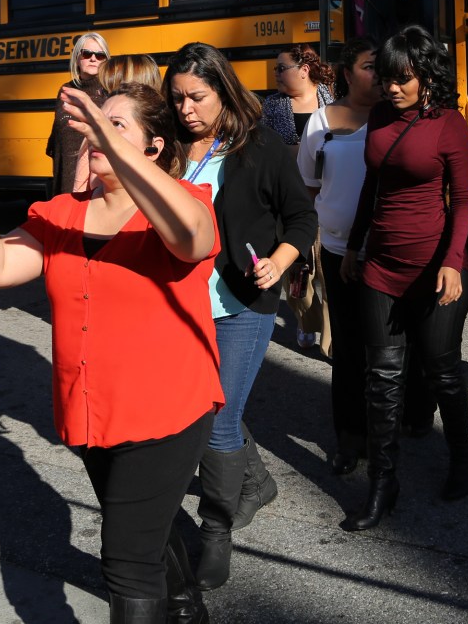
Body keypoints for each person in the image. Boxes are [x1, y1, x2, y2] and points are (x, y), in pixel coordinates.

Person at [0, 82, 220, 623]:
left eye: (116, 124)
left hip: (166, 412)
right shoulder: (61, 213)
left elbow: (192, 240)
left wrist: (111, 140)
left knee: (126, 559)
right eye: (96, 124)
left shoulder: (185, 204)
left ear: (154, 148)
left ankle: (177, 604)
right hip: (92, 410)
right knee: (146, 522)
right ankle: (187, 606)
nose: (98, 133)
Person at [163, 42, 318, 590]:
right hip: (178, 306)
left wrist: (279, 260)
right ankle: (255, 480)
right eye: (177, 98)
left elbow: (301, 217)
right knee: (203, 406)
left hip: (240, 305)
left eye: (198, 98)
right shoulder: (169, 149)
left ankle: (215, 531)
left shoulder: (260, 147)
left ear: (224, 92)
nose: (186, 110)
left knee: (218, 417)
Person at [341, 24, 468, 531]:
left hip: (437, 267)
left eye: (403, 78)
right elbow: (370, 187)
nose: (391, 87)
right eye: (386, 77)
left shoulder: (449, 123)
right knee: (382, 379)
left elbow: (462, 201)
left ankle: (463, 457)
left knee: (442, 372)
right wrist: (355, 245)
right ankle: (383, 483)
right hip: (381, 266)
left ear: (426, 75)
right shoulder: (378, 116)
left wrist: (453, 260)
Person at [295, 38, 378, 474]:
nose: (380, 75)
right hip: (337, 251)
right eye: (369, 66)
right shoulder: (320, 122)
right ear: (347, 72)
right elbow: (309, 184)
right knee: (347, 350)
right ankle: (349, 439)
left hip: (388, 254)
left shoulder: (395, 116)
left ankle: (387, 433)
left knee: (384, 347)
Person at [260, 44, 335, 352]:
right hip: (288, 202)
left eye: (281, 68)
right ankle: (307, 320)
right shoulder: (273, 106)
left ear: (304, 70)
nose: (275, 74)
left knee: (329, 271)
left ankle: (331, 338)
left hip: (328, 200)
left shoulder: (332, 101)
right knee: (298, 271)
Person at [47, 32, 110, 194]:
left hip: (95, 188)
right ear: (77, 58)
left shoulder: (110, 93)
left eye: (100, 55)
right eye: (87, 54)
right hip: (63, 183)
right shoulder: (65, 91)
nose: (93, 59)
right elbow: (56, 143)